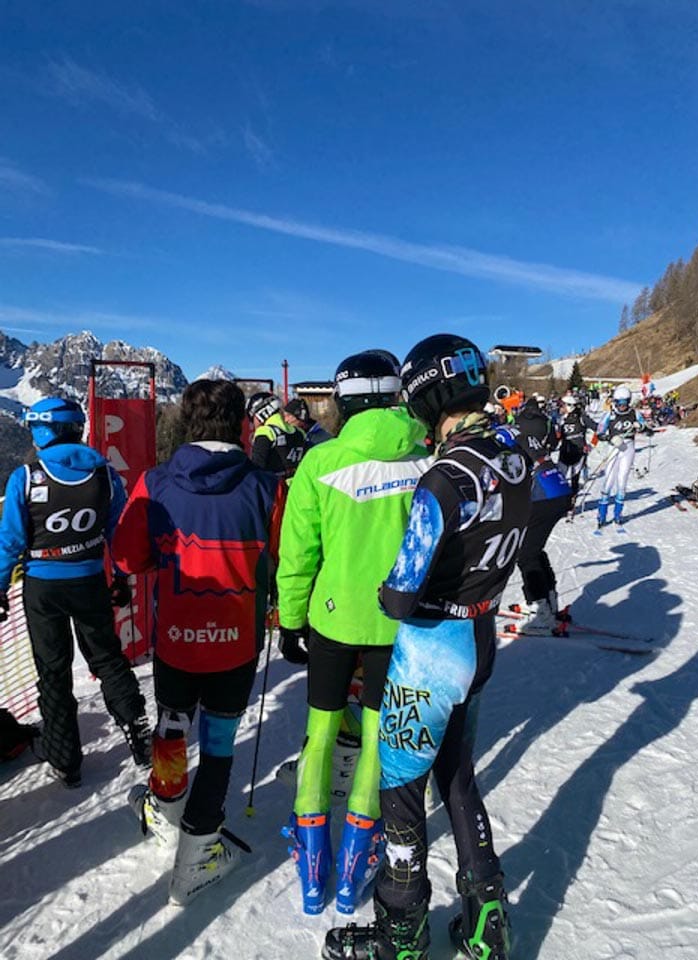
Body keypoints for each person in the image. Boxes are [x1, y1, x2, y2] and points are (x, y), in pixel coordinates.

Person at [323, 334, 531, 960]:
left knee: (402, 793)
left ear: (428, 398)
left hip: (433, 647)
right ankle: (487, 922)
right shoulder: (514, 453)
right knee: (458, 777)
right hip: (482, 630)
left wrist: (382, 591)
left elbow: (401, 593)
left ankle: (401, 936)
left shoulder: (445, 478)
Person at [112, 379, 285, 904]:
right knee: (218, 741)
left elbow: (127, 557)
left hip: (176, 638)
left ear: (188, 423)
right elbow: (284, 554)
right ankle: (199, 847)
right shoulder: (267, 486)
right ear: (242, 425)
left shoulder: (155, 482)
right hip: (236, 639)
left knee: (171, 725)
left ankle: (166, 809)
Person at [277, 349, 430, 916]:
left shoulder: (321, 461)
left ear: (341, 401)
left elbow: (298, 553)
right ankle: (356, 865)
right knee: (377, 738)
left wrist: (291, 619)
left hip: (333, 618)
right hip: (397, 623)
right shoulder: (426, 459)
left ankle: (311, 867)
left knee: (319, 734)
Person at [0, 397, 150, 788]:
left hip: (43, 585)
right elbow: (118, 530)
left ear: (44, 429)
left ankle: (65, 760)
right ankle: (138, 732)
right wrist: (121, 576)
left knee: (53, 670)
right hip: (89, 579)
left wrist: (0, 585)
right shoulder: (104, 473)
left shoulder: (26, 477)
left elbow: (10, 540)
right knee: (107, 658)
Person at [506, 396, 573, 631]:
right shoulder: (528, 433)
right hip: (558, 488)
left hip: (545, 495)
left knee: (525, 554)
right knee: (534, 549)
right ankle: (549, 600)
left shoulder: (510, 437)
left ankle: (540, 610)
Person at [595, 385, 648, 530]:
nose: (622, 406)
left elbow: (648, 429)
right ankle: (602, 515)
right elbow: (599, 432)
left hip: (628, 448)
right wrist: (610, 438)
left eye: (625, 403)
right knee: (609, 480)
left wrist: (640, 426)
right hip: (614, 448)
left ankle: (617, 515)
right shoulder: (609, 414)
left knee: (622, 481)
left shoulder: (635, 413)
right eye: (619, 403)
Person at [247, 391, 306, 478]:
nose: (253, 424)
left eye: (253, 418)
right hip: (298, 484)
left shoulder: (265, 432)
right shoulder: (300, 433)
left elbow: (256, 471)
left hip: (274, 485)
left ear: (262, 413)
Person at [557, 394, 597, 506]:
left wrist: (592, 445)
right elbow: (559, 436)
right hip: (564, 452)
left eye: (563, 405)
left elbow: (598, 429)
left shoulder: (581, 417)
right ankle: (561, 503)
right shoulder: (561, 418)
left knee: (575, 479)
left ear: (569, 406)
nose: (561, 408)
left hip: (578, 453)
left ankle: (571, 504)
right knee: (561, 479)